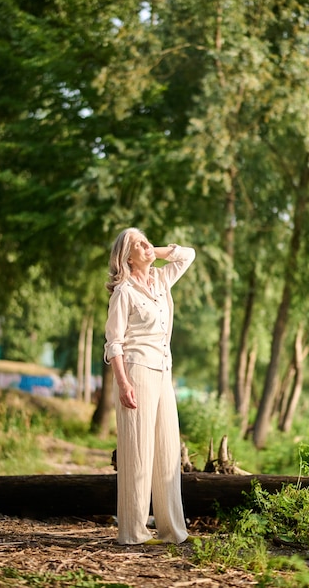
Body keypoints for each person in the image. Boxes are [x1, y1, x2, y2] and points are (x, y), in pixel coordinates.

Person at [104, 227, 196, 545]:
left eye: (146, 240)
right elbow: (114, 343)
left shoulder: (160, 280)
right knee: (137, 454)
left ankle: (173, 531)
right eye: (138, 244)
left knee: (168, 453)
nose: (145, 245)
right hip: (137, 371)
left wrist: (152, 250)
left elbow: (188, 255)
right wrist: (123, 383)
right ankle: (133, 532)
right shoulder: (123, 292)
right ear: (125, 256)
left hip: (163, 373)